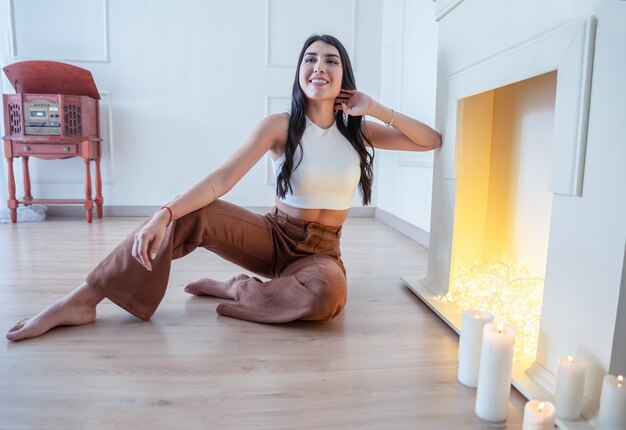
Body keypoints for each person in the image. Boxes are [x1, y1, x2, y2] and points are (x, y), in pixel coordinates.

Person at [6, 34, 441, 342]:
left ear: (343, 73)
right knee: (187, 215)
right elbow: (221, 180)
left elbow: (430, 141)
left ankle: (238, 288)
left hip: (321, 255)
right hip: (272, 236)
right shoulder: (279, 126)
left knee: (328, 298)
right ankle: (83, 299)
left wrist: (378, 108)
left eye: (331, 60)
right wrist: (165, 213)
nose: (319, 67)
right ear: (299, 73)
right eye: (310, 58)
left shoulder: (359, 132)